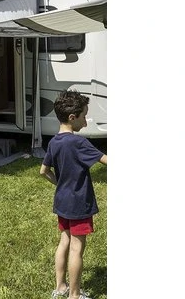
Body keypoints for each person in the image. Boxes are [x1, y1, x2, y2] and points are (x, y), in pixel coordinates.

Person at [40, 90, 107, 299]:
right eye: (84, 116)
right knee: (77, 249)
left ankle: (60, 287)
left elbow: (43, 171)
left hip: (62, 201)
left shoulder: (54, 142)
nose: (85, 122)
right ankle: (74, 295)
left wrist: (60, 184)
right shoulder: (78, 143)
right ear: (72, 117)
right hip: (78, 204)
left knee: (64, 242)